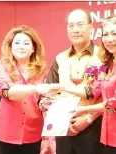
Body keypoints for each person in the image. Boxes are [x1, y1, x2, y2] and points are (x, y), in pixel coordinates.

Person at [60, 14, 116, 154]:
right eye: (105, 34)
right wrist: (62, 87)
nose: (109, 39)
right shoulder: (108, 65)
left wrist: (82, 111)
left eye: (115, 34)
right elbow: (92, 91)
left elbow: (115, 103)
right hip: (108, 136)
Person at [40, 9, 104, 154]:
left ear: (91, 27)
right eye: (71, 26)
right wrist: (46, 104)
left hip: (94, 127)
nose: (75, 30)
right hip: (64, 128)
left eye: (80, 25)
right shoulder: (60, 58)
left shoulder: (103, 55)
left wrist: (88, 119)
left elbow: (107, 94)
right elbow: (50, 91)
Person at [0, 25, 59, 154]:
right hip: (4, 132)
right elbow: (8, 93)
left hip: (32, 133)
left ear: (33, 48)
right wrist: (37, 88)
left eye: (26, 43)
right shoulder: (0, 66)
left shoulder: (42, 70)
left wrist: (45, 103)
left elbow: (41, 99)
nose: (21, 46)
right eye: (17, 43)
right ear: (10, 47)